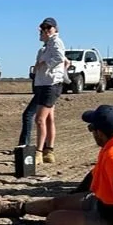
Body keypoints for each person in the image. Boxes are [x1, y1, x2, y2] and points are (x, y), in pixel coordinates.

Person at [18, 18, 67, 164]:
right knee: (48, 119)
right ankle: (48, 151)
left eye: (48, 29)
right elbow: (65, 59)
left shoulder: (56, 42)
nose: (44, 32)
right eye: (43, 29)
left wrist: (46, 64)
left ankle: (39, 152)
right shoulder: (47, 46)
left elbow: (59, 58)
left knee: (39, 119)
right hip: (43, 83)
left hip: (50, 85)